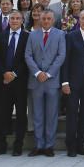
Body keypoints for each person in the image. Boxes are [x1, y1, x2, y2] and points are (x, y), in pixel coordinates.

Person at [25, 9, 66, 156]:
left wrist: (48, 74)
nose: (46, 21)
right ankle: (38, 144)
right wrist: (37, 72)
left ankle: (49, 145)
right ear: (40, 19)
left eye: (49, 18)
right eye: (44, 19)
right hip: (35, 81)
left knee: (51, 114)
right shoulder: (33, 34)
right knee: (37, 114)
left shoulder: (60, 35)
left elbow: (61, 56)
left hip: (52, 81)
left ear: (53, 20)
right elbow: (28, 55)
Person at [0, 10, 30, 156]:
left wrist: (14, 74)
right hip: (3, 81)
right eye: (12, 18)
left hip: (20, 82)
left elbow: (27, 58)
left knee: (21, 114)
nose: (14, 20)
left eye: (17, 18)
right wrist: (4, 73)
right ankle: (0, 144)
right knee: (3, 113)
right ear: (8, 20)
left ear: (22, 21)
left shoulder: (28, 37)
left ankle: (18, 145)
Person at [63, 9, 84, 157]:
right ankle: (70, 145)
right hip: (72, 81)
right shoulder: (71, 37)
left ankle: (80, 143)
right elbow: (66, 61)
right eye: (83, 18)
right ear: (79, 20)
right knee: (71, 113)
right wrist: (64, 82)